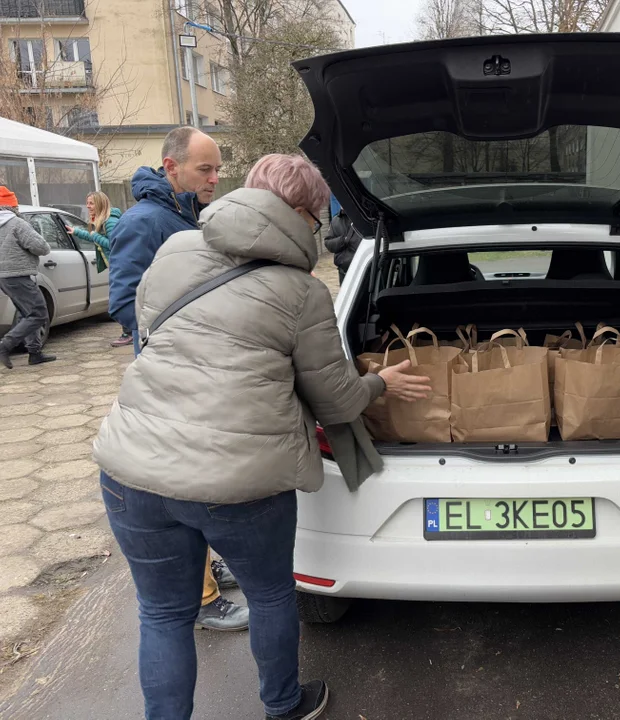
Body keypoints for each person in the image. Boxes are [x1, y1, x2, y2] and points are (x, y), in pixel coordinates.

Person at [92, 153, 431, 720]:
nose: (316, 229)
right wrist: (379, 382)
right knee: (272, 595)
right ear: (299, 212)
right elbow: (337, 402)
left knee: (162, 614)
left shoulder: (175, 250)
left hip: (133, 467)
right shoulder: (301, 293)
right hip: (240, 479)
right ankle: (284, 705)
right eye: (316, 218)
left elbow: (148, 329)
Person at [108, 126, 248, 632]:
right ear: (171, 168)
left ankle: (209, 568)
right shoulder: (145, 222)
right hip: (173, 383)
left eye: (216, 169)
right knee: (183, 484)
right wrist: (185, 344)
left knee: (203, 477)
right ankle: (203, 599)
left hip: (202, 375)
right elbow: (125, 303)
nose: (214, 178)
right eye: (204, 170)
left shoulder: (187, 215)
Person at [0, 186, 56, 369]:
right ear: (12, 206)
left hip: (4, 277)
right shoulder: (16, 223)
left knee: (26, 313)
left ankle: (34, 352)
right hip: (18, 275)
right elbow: (41, 247)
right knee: (39, 313)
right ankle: (5, 345)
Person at [65, 191, 130, 346]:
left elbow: (115, 243)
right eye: (87, 203)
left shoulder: (110, 222)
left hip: (122, 266)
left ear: (100, 203)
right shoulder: (102, 220)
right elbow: (96, 237)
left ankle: (129, 333)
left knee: (119, 301)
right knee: (121, 299)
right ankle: (130, 331)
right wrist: (77, 232)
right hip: (117, 266)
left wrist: (95, 235)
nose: (88, 206)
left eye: (91, 203)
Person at [323, 207, 361, 284]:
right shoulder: (336, 220)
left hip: (362, 270)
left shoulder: (363, 219)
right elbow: (328, 243)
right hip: (344, 272)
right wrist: (343, 240)